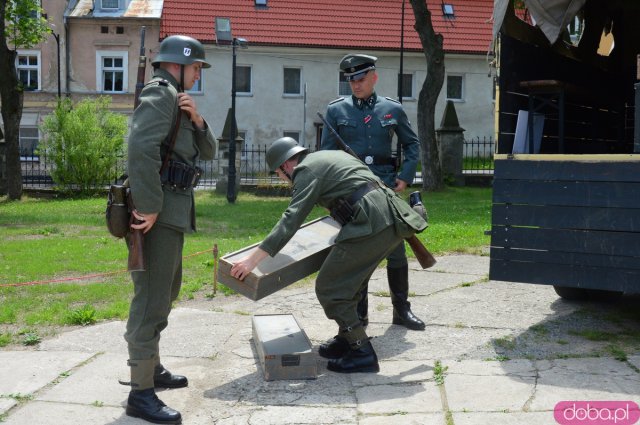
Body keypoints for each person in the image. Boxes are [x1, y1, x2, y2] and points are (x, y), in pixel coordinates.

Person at [230, 137, 427, 373]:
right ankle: (346, 338)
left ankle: (361, 350)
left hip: (371, 223)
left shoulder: (305, 171)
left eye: (279, 174)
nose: (283, 180)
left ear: (286, 165)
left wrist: (252, 260)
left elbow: (291, 218)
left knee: (330, 288)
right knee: (350, 283)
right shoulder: (329, 157)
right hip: (392, 217)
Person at [124, 35, 216, 425]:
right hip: (157, 214)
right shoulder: (160, 92)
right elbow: (140, 147)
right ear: (177, 64)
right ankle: (140, 393)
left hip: (171, 214)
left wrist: (198, 120)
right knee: (150, 302)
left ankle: (153, 369)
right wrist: (149, 205)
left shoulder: (179, 100)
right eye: (196, 67)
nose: (199, 74)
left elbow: (209, 152)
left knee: (166, 293)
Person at [320, 53, 426, 331]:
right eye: (351, 80)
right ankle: (360, 315)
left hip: (387, 188)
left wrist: (404, 176)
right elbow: (326, 156)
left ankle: (401, 310)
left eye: (361, 79)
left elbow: (412, 145)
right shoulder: (336, 110)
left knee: (397, 251)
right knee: (359, 254)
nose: (356, 85)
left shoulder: (392, 109)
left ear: (374, 77)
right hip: (353, 192)